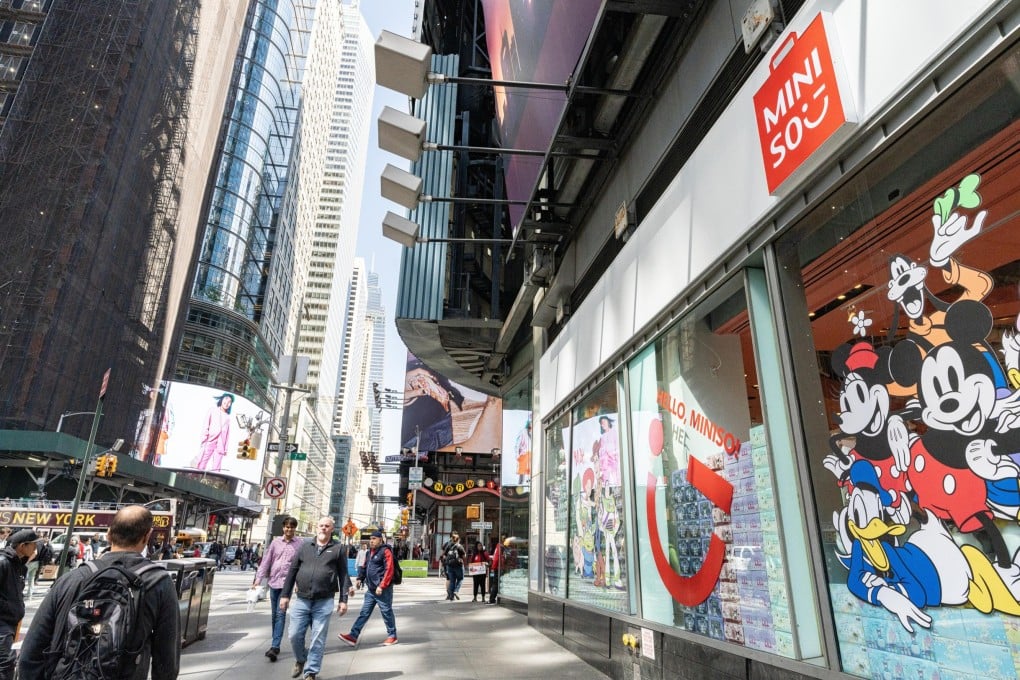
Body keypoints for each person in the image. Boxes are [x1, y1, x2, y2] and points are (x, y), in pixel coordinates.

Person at [18, 506, 180, 680]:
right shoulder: (159, 582)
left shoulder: (72, 578)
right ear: (147, 536)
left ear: (109, 534)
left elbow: (33, 648)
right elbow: (166, 658)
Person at [279, 516, 350, 680]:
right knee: (294, 635)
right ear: (316, 528)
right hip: (302, 600)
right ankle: (301, 659)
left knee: (318, 639)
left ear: (332, 529)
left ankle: (311, 672)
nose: (323, 528)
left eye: (327, 526)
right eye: (321, 525)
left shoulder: (338, 549)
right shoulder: (304, 547)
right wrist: (285, 595)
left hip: (324, 601)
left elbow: (343, 575)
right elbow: (292, 571)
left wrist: (343, 600)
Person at [252, 516, 303, 662]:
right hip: (273, 582)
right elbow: (266, 561)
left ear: (295, 528)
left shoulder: (299, 544)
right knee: (275, 614)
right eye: (287, 526)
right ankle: (276, 642)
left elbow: (301, 565)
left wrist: (298, 583)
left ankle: (275, 646)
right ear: (283, 528)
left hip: (287, 584)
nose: (289, 529)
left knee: (280, 614)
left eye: (292, 527)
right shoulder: (275, 543)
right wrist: (258, 578)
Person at [337, 530, 398, 647]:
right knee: (364, 613)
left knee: (386, 612)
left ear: (381, 540)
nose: (371, 541)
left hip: (382, 590)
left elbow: (389, 570)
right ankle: (353, 636)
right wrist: (360, 578)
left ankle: (392, 636)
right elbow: (365, 567)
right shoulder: (369, 552)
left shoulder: (385, 551)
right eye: (371, 538)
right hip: (371, 589)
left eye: (374, 538)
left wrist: (382, 585)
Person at [0, 529, 38, 679]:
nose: (36, 549)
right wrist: (8, 608)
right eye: (34, 545)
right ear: (23, 546)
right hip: (3, 622)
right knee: (6, 663)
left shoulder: (19, 566)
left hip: (10, 622)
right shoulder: (3, 563)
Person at [195, 392, 233, 472]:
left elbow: (227, 434)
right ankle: (196, 476)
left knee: (216, 468)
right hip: (210, 440)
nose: (227, 403)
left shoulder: (228, 418)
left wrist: (225, 448)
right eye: (226, 399)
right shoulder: (212, 410)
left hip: (220, 445)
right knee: (202, 463)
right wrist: (204, 439)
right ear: (222, 399)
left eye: (230, 402)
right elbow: (206, 425)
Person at [442, 533, 466, 601]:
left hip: (450, 566)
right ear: (458, 539)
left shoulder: (448, 546)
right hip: (458, 565)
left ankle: (451, 596)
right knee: (460, 579)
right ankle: (456, 591)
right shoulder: (459, 546)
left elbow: (444, 556)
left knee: (452, 581)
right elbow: (464, 556)